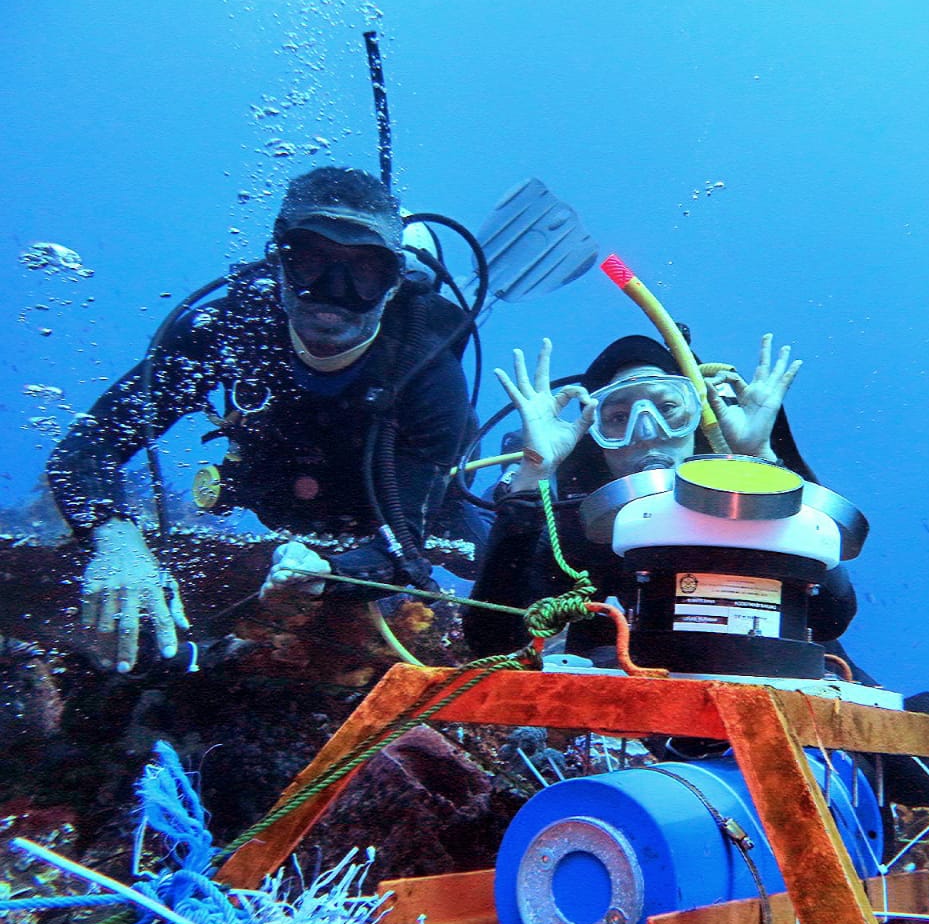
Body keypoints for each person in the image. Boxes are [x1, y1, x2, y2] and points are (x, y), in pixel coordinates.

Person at [47, 166, 478, 674]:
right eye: (312, 260)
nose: (335, 291)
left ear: (393, 281)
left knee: (481, 550)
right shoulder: (231, 329)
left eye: (365, 270)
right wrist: (113, 536)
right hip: (278, 497)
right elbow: (88, 447)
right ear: (278, 260)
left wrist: (332, 573)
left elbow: (404, 548)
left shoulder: (428, 371)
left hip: (398, 501)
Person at [461, 332, 859, 663]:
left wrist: (762, 465)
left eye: (669, 408)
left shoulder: (744, 510)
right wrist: (534, 473)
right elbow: (493, 639)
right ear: (595, 439)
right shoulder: (579, 532)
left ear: (698, 419)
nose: (647, 431)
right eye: (618, 418)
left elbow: (829, 617)